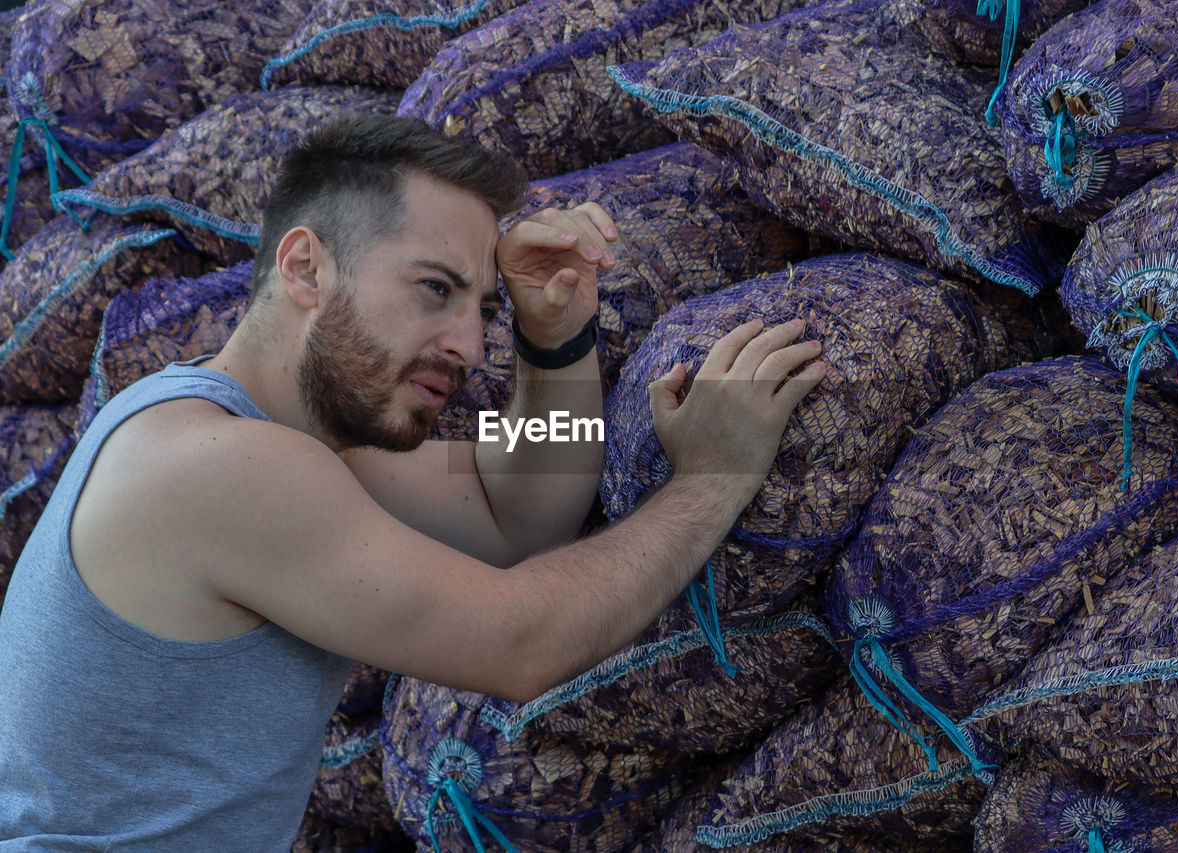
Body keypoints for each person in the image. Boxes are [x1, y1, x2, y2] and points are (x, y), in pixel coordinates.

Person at [0, 114, 826, 849]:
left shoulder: (252, 433)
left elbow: (516, 511)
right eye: (434, 288)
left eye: (482, 307)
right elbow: (521, 644)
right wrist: (713, 477)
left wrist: (555, 338)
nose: (469, 344)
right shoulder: (221, 468)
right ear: (304, 268)